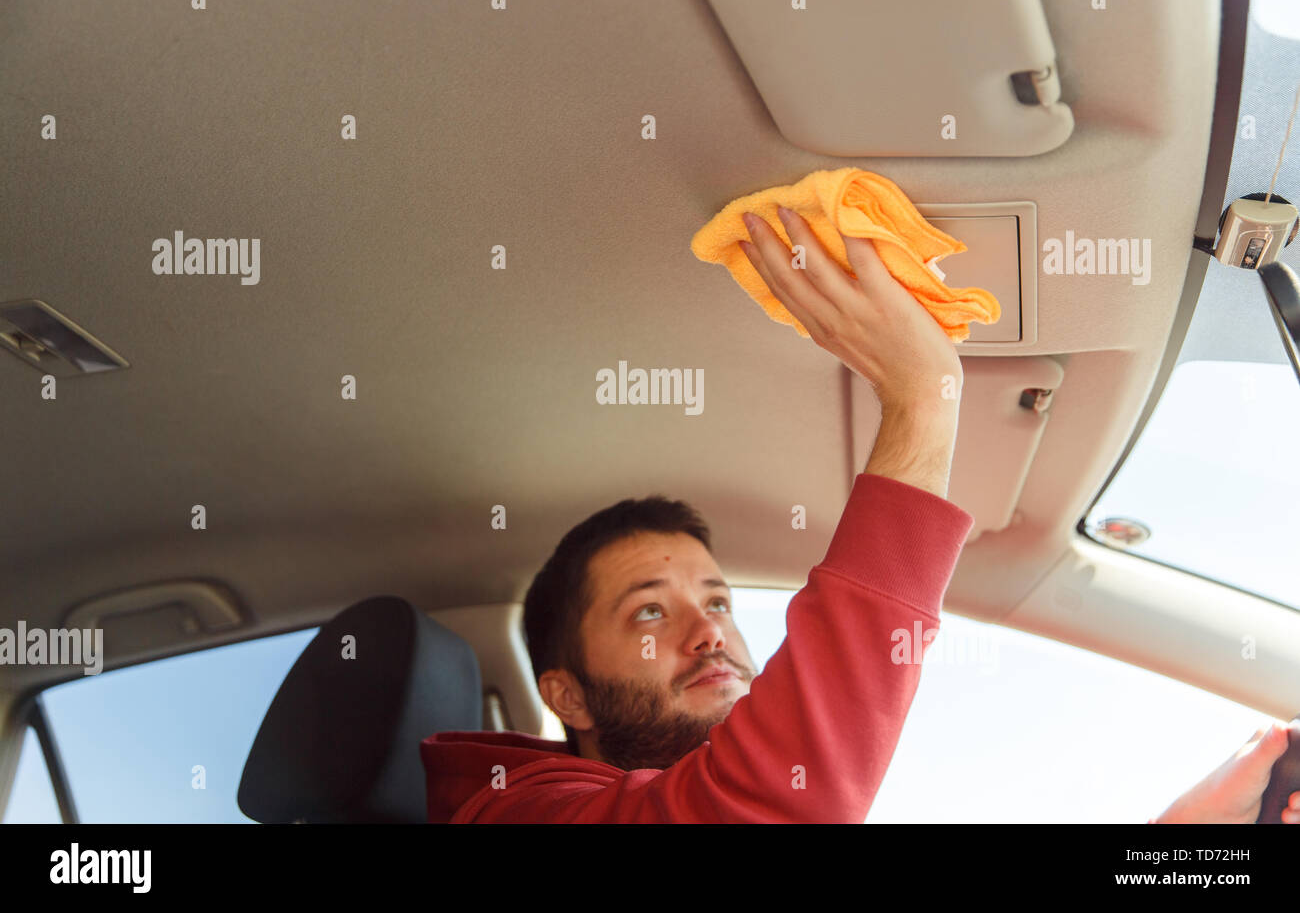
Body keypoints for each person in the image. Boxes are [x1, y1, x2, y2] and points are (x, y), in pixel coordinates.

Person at [420, 208, 1300, 823]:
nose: (709, 634)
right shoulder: (518, 809)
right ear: (565, 693)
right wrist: (921, 399)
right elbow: (759, 809)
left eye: (719, 601)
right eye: (650, 610)